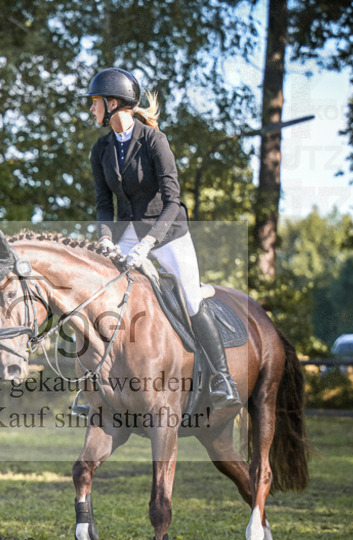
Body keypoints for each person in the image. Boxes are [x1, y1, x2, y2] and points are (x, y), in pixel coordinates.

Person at [85, 67, 240, 410]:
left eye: (94, 102)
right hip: (127, 234)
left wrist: (148, 242)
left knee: (190, 298)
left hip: (168, 233)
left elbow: (174, 202)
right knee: (99, 294)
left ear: (113, 104)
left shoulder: (155, 141)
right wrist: (106, 239)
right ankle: (94, 386)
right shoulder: (101, 149)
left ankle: (221, 378)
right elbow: (102, 203)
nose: (91, 109)